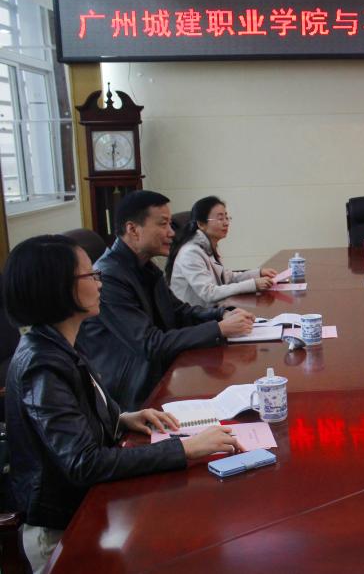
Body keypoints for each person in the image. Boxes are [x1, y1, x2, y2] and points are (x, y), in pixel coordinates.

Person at [3, 235, 241, 573]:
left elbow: (76, 416)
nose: (99, 281)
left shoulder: (58, 342)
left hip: (87, 507)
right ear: (57, 288)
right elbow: (83, 462)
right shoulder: (42, 364)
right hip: (61, 530)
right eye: (90, 275)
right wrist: (185, 449)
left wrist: (123, 418)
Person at [77, 190, 255, 411]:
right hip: (134, 395)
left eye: (170, 224)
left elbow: (179, 312)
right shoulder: (109, 278)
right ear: (133, 229)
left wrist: (222, 314)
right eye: (163, 224)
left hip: (161, 372)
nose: (172, 232)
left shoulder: (146, 267)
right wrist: (218, 329)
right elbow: (150, 344)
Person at [167, 196, 278, 308]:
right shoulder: (190, 253)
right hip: (194, 316)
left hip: (212, 311)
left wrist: (258, 273)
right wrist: (253, 284)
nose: (226, 223)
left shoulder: (206, 246)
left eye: (226, 218)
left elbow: (227, 278)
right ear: (201, 224)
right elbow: (209, 292)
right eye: (220, 219)